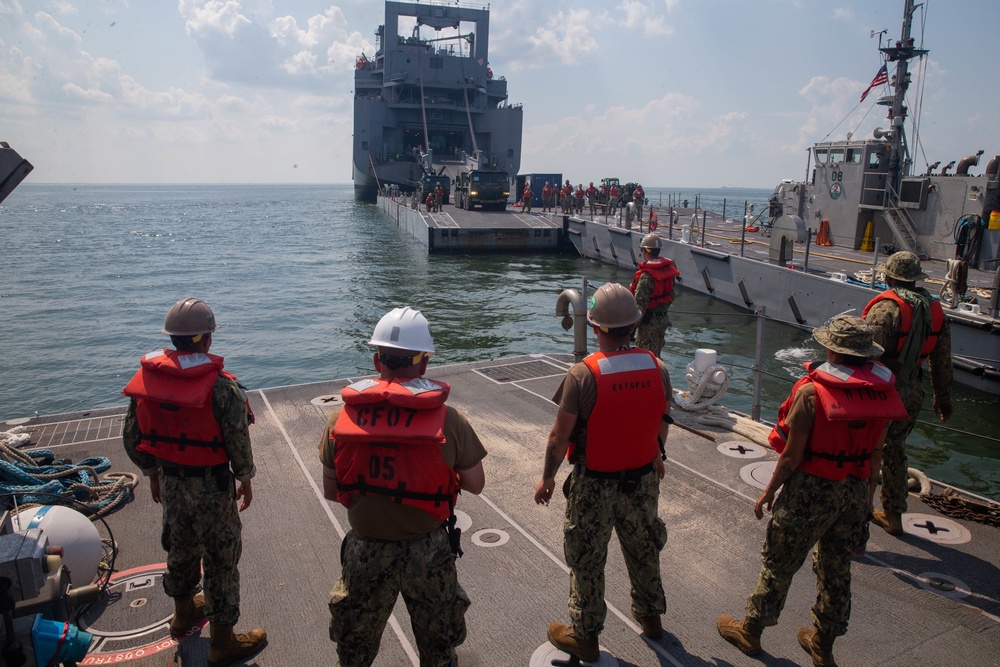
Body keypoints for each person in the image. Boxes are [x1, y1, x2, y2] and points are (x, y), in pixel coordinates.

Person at [717, 315, 906, 667]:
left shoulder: (810, 392)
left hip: (810, 492)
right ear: (867, 355)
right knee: (836, 568)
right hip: (853, 490)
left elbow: (791, 456)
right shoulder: (884, 394)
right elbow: (876, 453)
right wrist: (867, 499)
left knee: (779, 563)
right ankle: (823, 644)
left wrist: (769, 491)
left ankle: (752, 630)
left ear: (832, 351)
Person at [321, 307, 487, 667]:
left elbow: (331, 491)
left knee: (354, 651)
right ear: (424, 364)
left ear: (377, 359)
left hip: (365, 551)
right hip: (429, 553)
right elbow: (476, 484)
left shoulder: (339, 419)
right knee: (439, 649)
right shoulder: (450, 420)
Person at [121, 297, 267, 667]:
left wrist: (153, 472)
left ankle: (182, 615)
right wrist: (246, 479)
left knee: (180, 548)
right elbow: (238, 441)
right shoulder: (223, 388)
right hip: (213, 487)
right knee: (221, 559)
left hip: (170, 483)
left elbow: (131, 436)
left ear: (173, 340)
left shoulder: (148, 382)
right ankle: (221, 644)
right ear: (207, 340)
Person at [535, 283, 671, 663]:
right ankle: (651, 617)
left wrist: (547, 478)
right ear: (634, 325)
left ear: (595, 327)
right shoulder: (657, 367)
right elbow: (662, 418)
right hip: (643, 480)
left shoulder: (583, 375)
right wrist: (658, 454)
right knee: (644, 549)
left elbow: (558, 438)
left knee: (587, 558)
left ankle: (586, 635)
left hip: (595, 483)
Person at [862, 251, 953, 536]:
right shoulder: (936, 310)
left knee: (865, 450)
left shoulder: (886, 309)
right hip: (913, 391)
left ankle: (858, 510)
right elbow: (942, 361)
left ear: (889, 276)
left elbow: (865, 354)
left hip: (882, 391)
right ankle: (893, 515)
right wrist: (943, 398)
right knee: (895, 451)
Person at [628, 233, 681, 358]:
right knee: (656, 355)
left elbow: (640, 307)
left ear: (646, 251)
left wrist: (631, 328)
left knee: (645, 357)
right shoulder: (667, 272)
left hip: (648, 323)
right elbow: (671, 294)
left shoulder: (646, 276)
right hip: (662, 320)